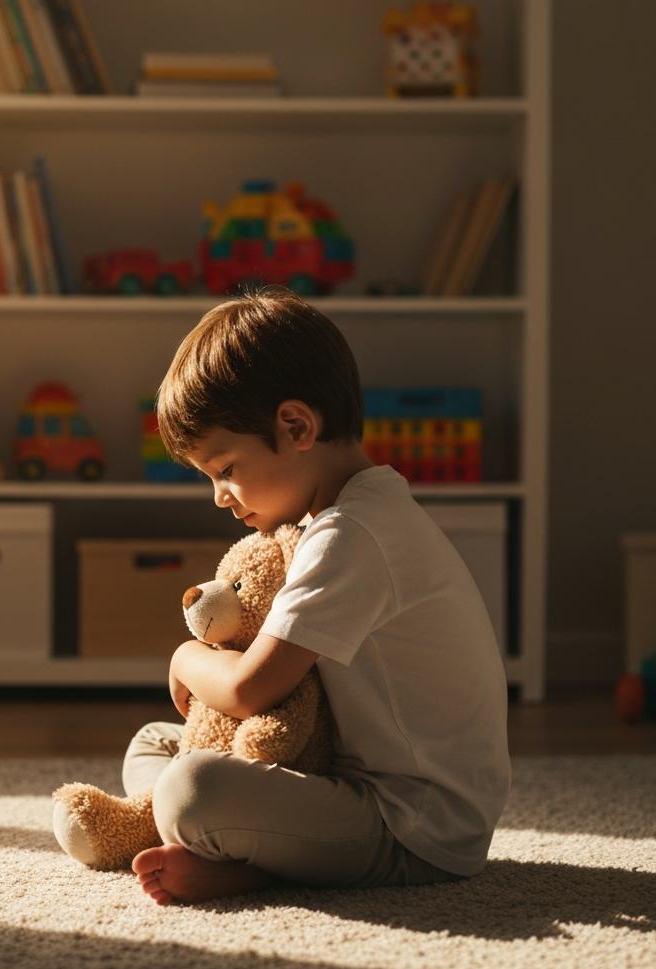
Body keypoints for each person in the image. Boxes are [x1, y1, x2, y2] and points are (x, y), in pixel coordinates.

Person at [128, 287, 510, 905]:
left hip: (411, 825)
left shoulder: (351, 536)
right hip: (344, 774)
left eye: (225, 469)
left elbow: (254, 688)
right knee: (152, 743)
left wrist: (184, 658)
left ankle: (249, 861)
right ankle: (221, 840)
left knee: (190, 788)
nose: (220, 495)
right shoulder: (350, 513)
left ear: (296, 426)